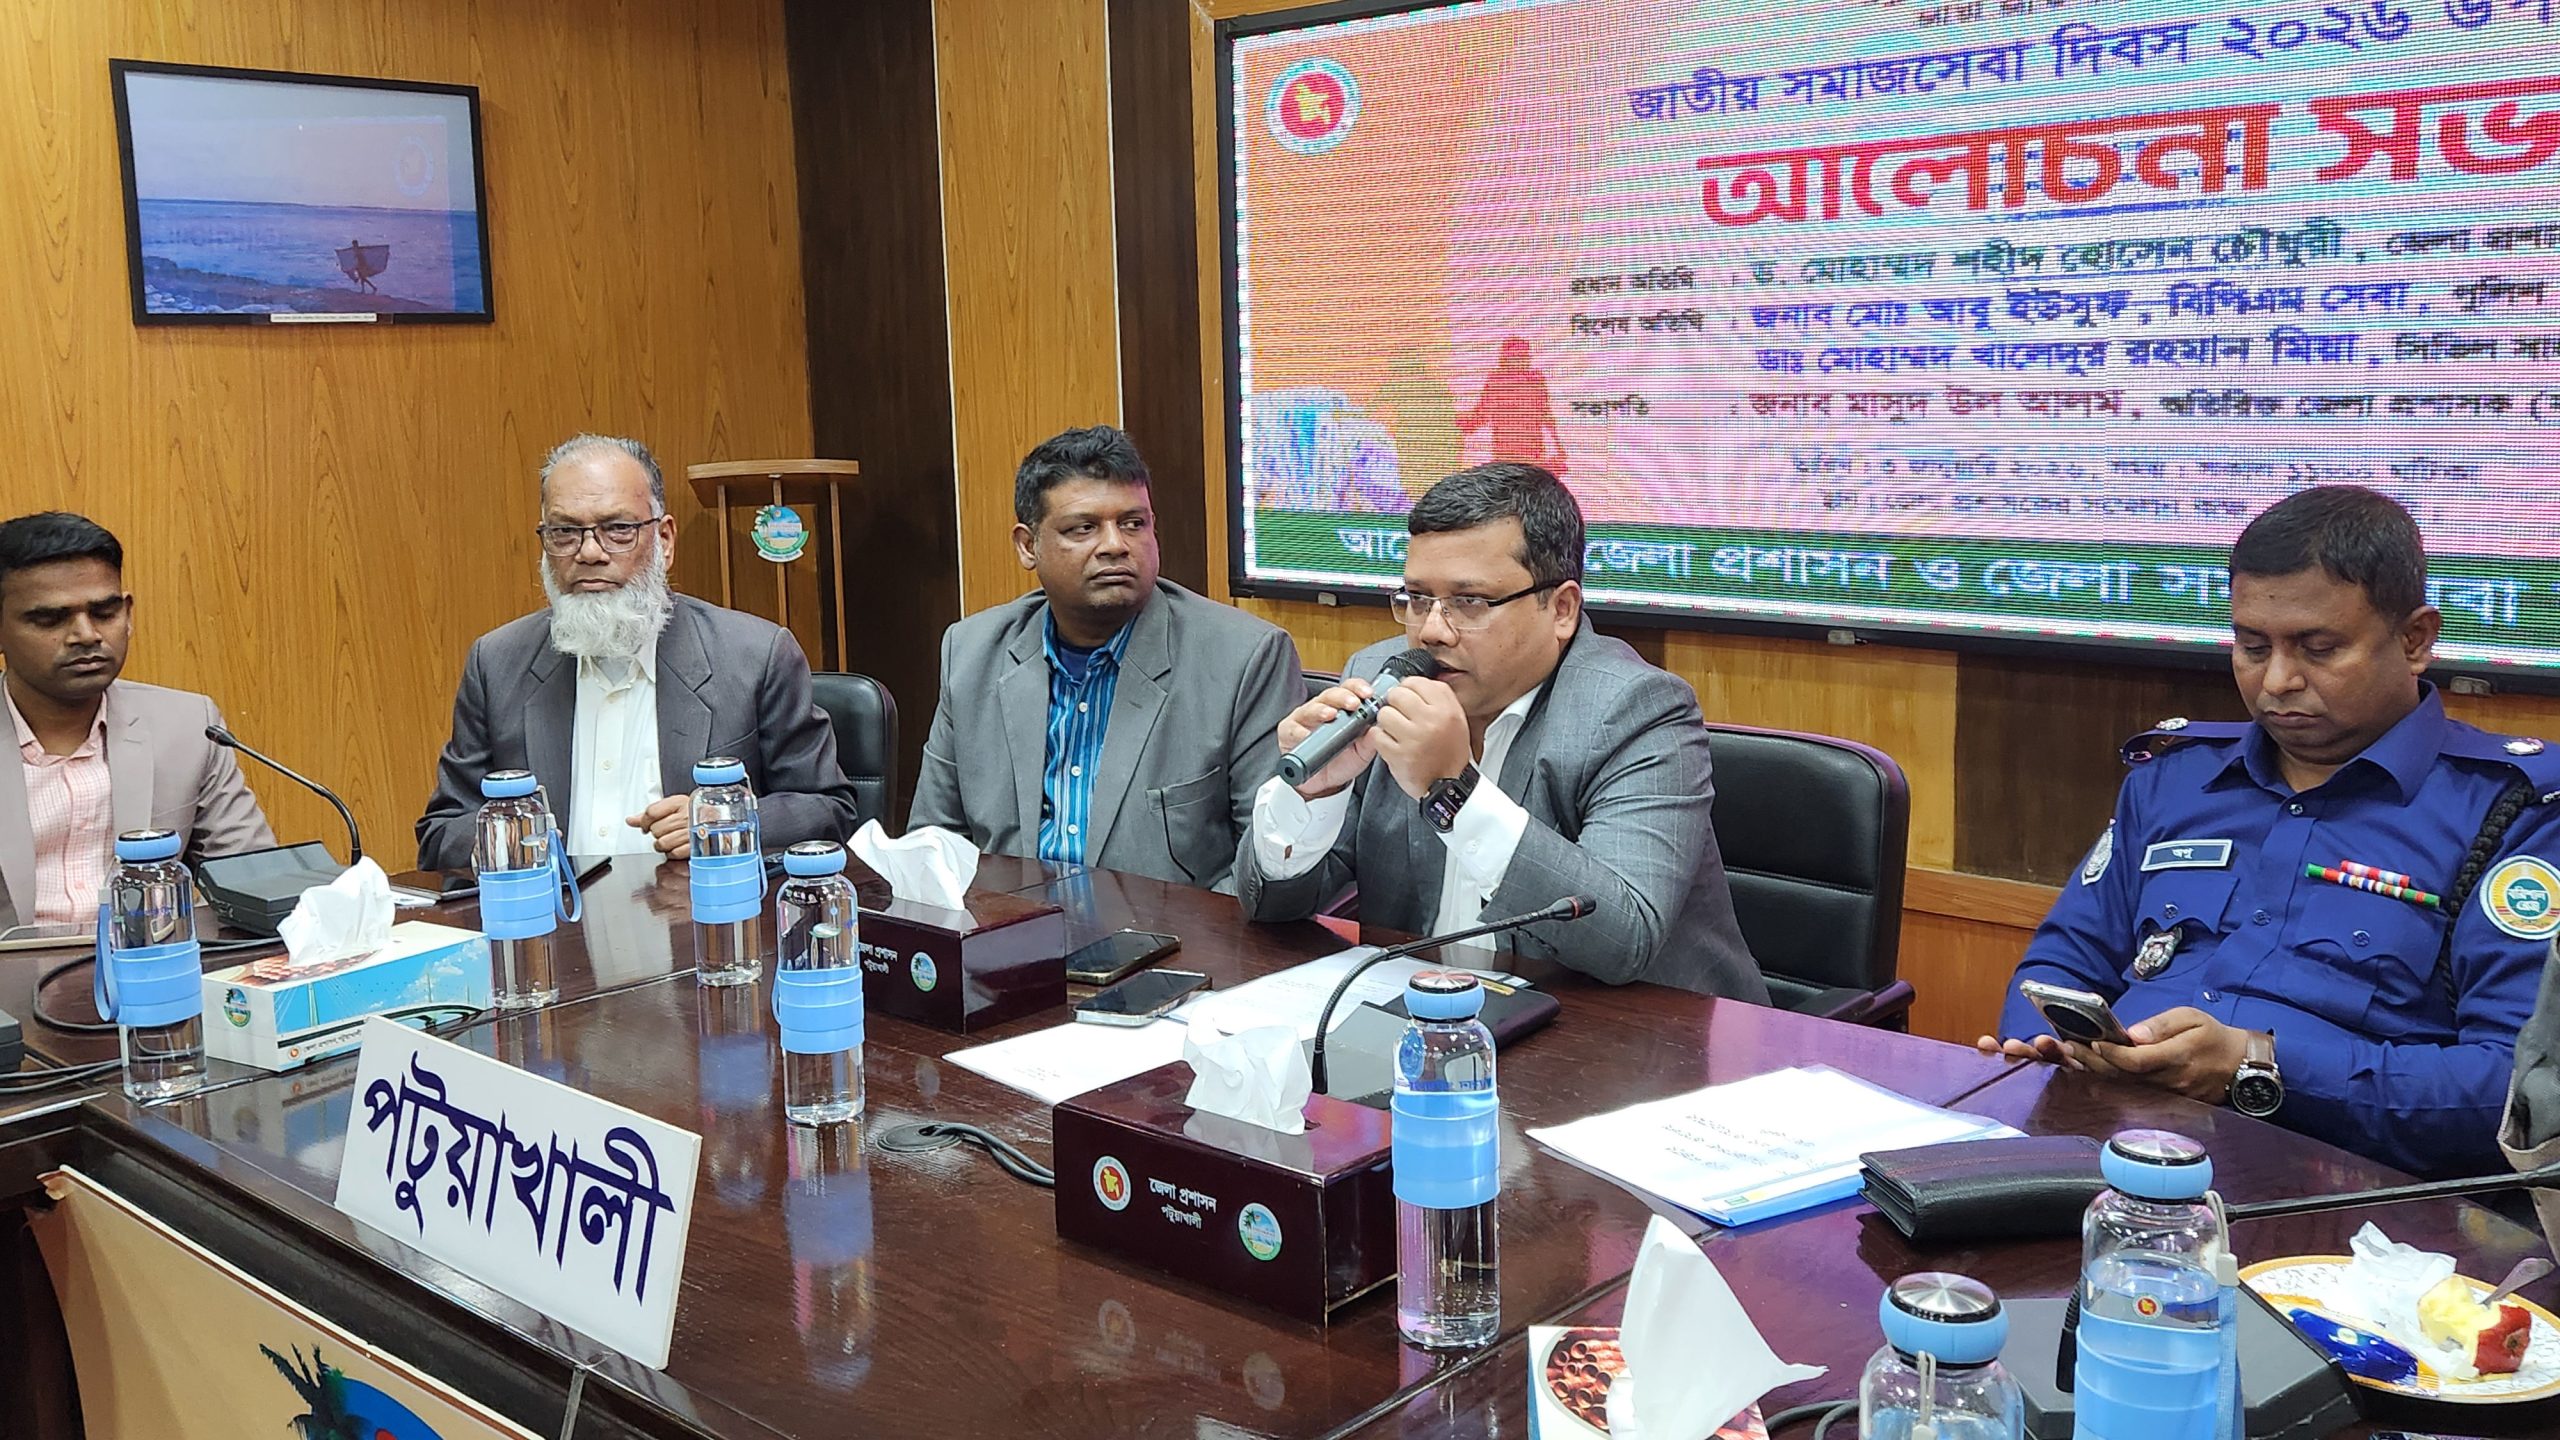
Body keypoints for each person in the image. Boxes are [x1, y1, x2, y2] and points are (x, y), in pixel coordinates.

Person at [1981, 485, 2560, 1178]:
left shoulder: (2516, 813)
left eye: (2319, 649)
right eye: (2253, 647)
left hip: (2339, 1190)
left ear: (2415, 640)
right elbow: (2063, 960)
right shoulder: (2175, 778)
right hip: (2102, 1146)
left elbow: (2513, 1087)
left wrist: (2257, 1067)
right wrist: (2047, 1046)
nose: (2278, 681)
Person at [1233, 462, 1764, 997]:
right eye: (1418, 599)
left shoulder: (1638, 710)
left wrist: (1453, 791)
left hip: (1634, 1030)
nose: (1432, 631)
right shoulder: (1380, 680)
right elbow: (1270, 905)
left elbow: (1623, 939)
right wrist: (1313, 798)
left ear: (1561, 609)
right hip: (1426, 1013)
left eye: (1470, 602)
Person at [415, 434, 856, 869]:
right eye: (564, 532)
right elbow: (441, 832)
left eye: (618, 529)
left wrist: (729, 820)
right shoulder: (496, 663)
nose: (589, 552)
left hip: (698, 910)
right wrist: (507, 839)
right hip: (550, 911)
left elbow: (829, 809)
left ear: (664, 540)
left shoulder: (755, 655)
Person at [909, 426, 1301, 891]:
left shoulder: (1244, 659)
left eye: (1134, 524)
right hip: (1009, 927)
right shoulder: (972, 652)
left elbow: (1267, 871)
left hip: (1169, 933)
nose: (1115, 545)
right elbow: (934, 844)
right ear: (1028, 546)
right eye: (1083, 528)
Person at [0, 512, 272, 927]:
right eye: (50, 619)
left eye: (104, 613)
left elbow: (256, 882)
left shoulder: (187, 725)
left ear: (127, 613)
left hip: (153, 961)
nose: (86, 635)